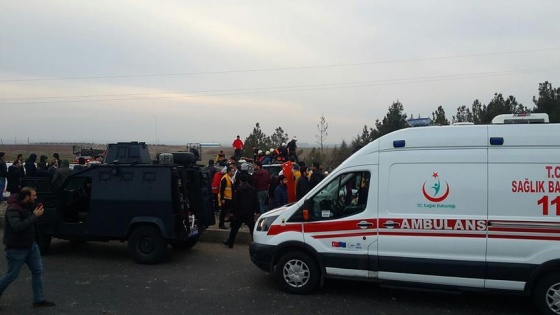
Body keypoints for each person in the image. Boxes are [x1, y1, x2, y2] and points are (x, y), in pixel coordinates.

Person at [0, 187, 55, 307]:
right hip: (16, 247)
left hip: (31, 245)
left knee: (38, 271)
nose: (36, 197)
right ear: (26, 197)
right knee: (11, 275)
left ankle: (39, 299)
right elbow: (17, 226)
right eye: (34, 195)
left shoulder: (26, 205)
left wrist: (36, 213)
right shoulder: (13, 209)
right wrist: (35, 216)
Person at [223, 174, 258, 248]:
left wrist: (232, 211)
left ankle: (230, 242)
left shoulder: (238, 189)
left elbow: (235, 201)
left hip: (239, 212)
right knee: (252, 228)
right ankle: (256, 243)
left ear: (240, 181)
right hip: (249, 211)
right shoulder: (252, 189)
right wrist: (257, 211)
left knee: (235, 228)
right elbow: (256, 201)